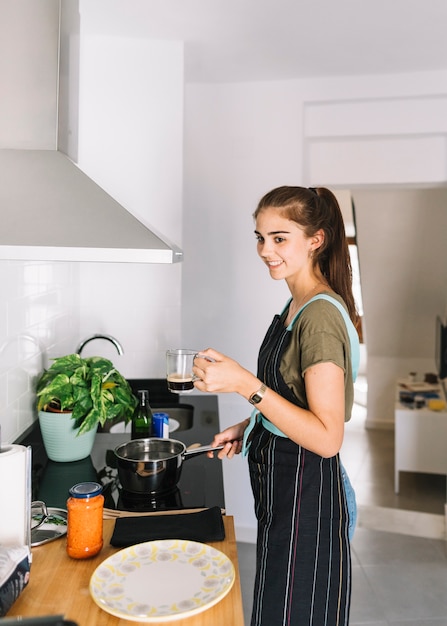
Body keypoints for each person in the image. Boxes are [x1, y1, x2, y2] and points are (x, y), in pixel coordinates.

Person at [192, 185, 360, 626]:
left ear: (315, 240)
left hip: (307, 499)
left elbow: (327, 438)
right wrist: (251, 426)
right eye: (260, 237)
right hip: (283, 496)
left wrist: (244, 383)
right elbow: (294, 400)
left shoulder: (319, 316)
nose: (265, 250)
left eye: (279, 238)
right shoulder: (295, 304)